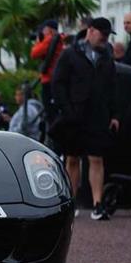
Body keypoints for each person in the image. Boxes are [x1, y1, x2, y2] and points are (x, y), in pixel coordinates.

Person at [51, 17, 120, 220]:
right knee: (72, 158)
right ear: (90, 31)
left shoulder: (107, 57)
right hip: (74, 114)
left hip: (98, 114)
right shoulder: (70, 54)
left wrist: (115, 114)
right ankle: (70, 203)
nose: (105, 39)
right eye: (103, 34)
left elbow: (112, 86)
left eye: (108, 35)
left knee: (96, 158)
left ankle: (97, 203)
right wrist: (66, 109)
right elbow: (58, 83)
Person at [30, 20, 64, 126]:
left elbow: (34, 53)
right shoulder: (59, 39)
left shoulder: (50, 39)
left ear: (48, 29)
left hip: (49, 80)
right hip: (55, 79)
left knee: (51, 113)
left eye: (43, 30)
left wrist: (38, 41)